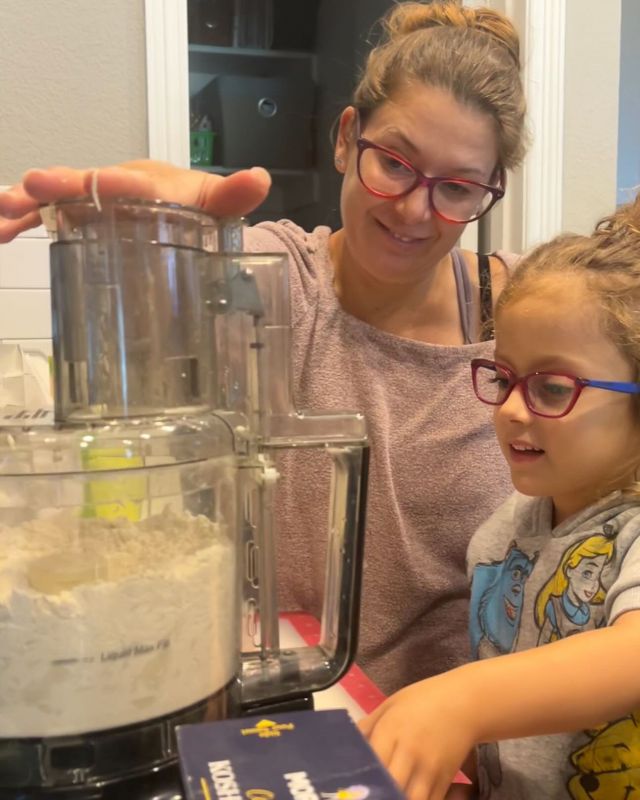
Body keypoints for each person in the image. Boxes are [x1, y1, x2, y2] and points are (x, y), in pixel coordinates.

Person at [0, 2, 527, 694]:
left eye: (457, 188)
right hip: (291, 712)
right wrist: (175, 234)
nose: (412, 209)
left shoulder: (523, 315)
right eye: (394, 163)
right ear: (347, 138)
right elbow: (176, 301)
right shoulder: (275, 280)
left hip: (465, 736)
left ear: (490, 193)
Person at [359, 195, 640, 800]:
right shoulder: (505, 529)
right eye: (503, 376)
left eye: (553, 386)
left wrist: (458, 702)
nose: (511, 409)